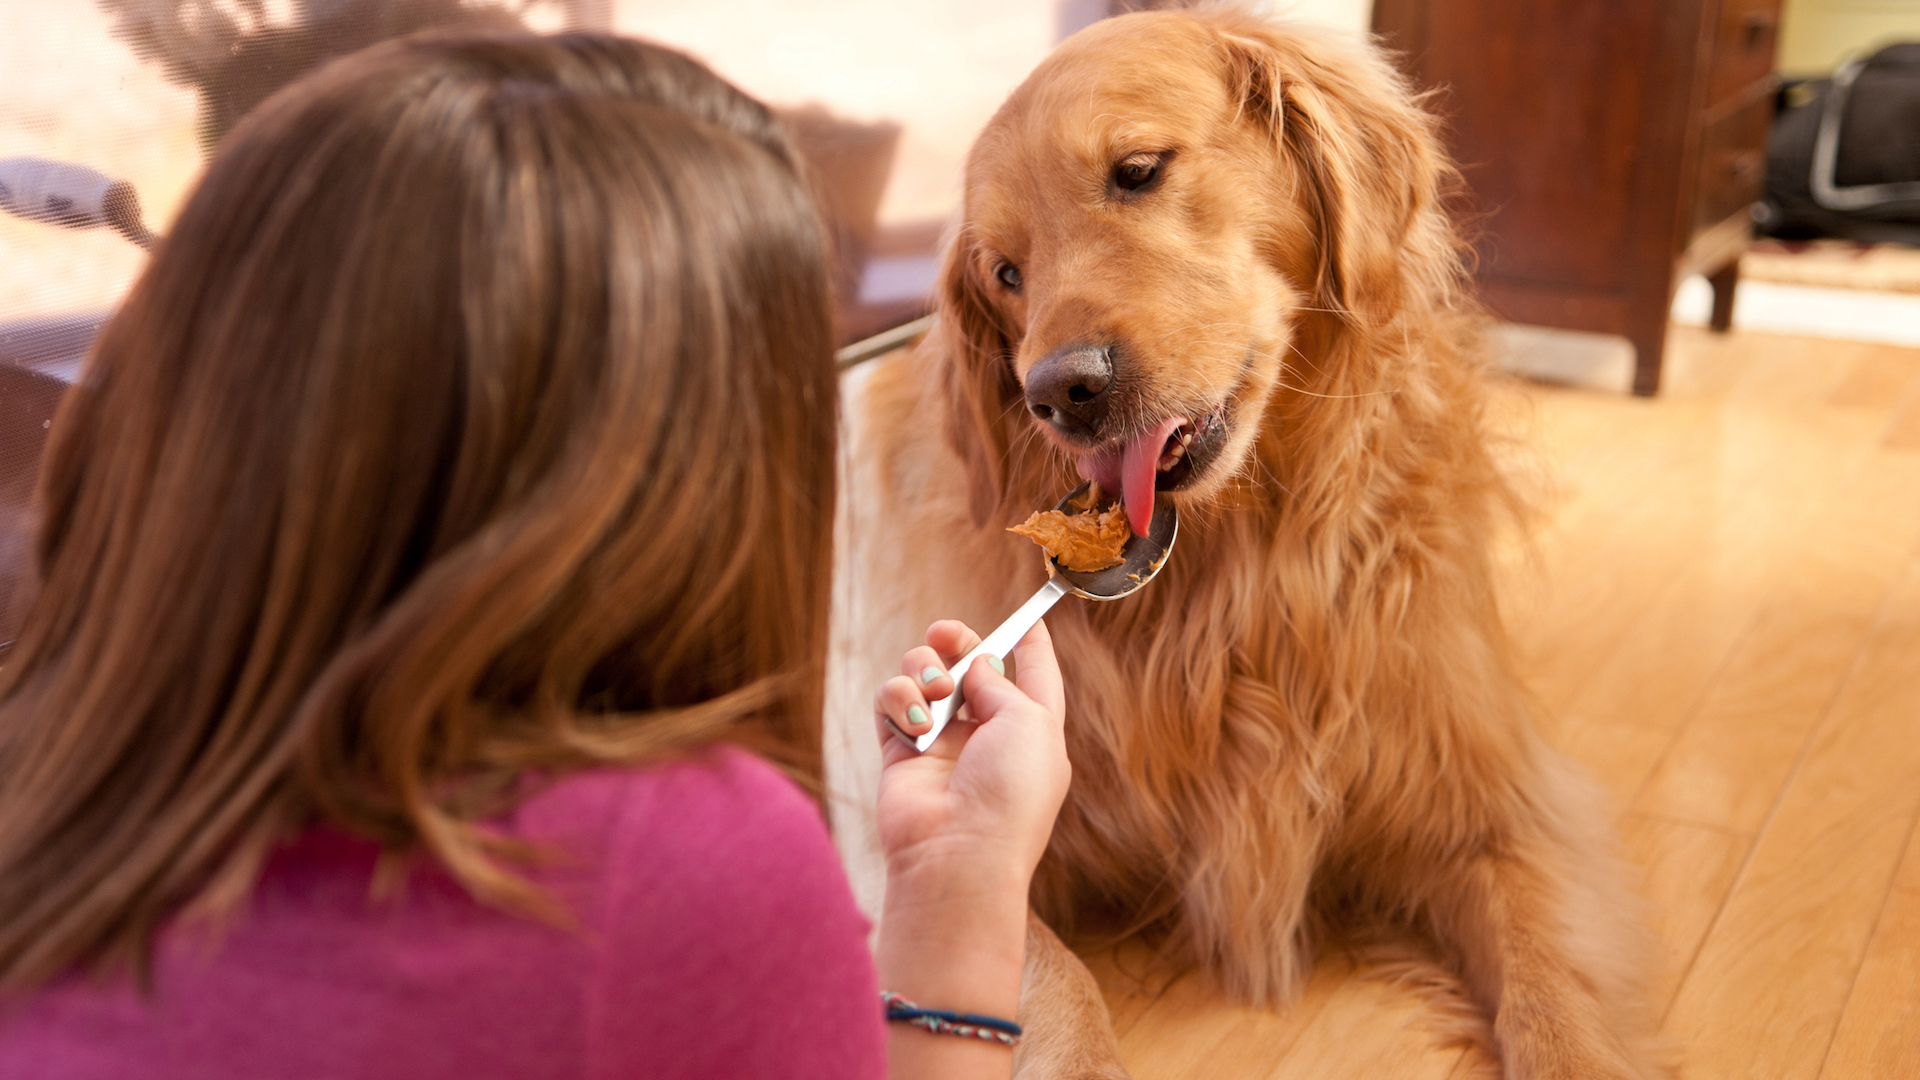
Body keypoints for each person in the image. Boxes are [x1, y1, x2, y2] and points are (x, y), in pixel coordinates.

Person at [0, 32, 1070, 1080]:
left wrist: (938, 871)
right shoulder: (657, 864)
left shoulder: (63, 756)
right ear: (702, 463)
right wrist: (969, 887)